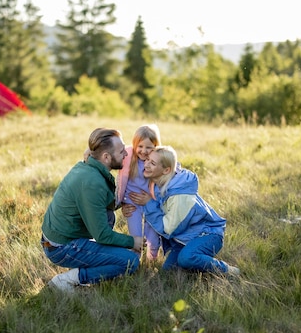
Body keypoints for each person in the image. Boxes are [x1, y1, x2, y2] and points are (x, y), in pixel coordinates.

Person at [41, 128, 144, 292]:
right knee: (130, 261)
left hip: (62, 238)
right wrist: (133, 241)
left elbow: (106, 204)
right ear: (106, 157)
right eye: (121, 151)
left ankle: (89, 258)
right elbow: (102, 235)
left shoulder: (90, 165)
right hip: (60, 247)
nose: (126, 154)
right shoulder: (92, 183)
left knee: (110, 223)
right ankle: (67, 281)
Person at [132, 145, 240, 275]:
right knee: (169, 271)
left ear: (166, 170)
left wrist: (149, 203)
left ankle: (228, 270)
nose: (146, 164)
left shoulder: (179, 197)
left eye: (152, 163)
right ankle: (196, 264)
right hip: (184, 238)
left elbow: (167, 228)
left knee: (186, 258)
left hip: (208, 234)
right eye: (147, 159)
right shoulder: (160, 181)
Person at [117, 124, 162, 260]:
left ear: (156, 147)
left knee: (153, 237)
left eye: (149, 147)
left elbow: (172, 167)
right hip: (132, 204)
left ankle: (152, 259)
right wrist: (122, 203)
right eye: (140, 146)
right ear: (134, 145)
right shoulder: (128, 157)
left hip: (151, 202)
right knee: (135, 236)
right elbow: (108, 153)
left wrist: (152, 199)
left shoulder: (159, 160)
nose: (143, 151)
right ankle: (134, 261)